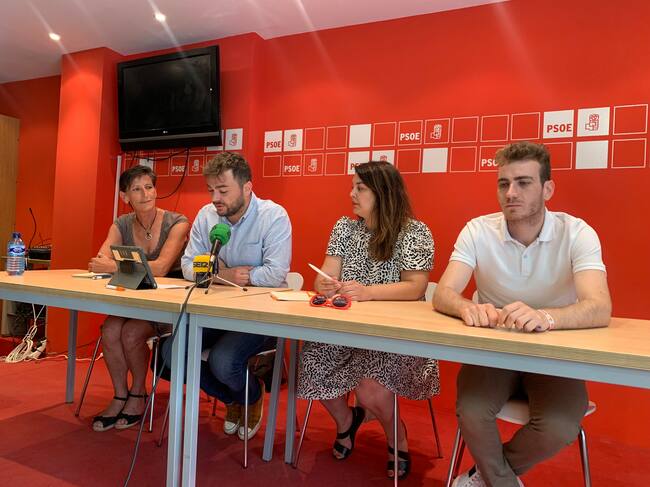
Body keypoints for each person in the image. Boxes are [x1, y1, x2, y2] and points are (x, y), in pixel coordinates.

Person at [433, 141, 611, 487]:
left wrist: (546, 317)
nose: (511, 193)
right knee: (472, 411)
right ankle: (500, 481)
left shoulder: (577, 232)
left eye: (523, 182)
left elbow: (599, 306)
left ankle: (483, 477)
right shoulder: (478, 230)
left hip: (552, 349)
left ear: (548, 189)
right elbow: (444, 292)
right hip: (494, 348)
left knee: (560, 426)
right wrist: (466, 307)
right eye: (504, 183)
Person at [297, 160, 439, 480]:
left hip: (394, 335)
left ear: (383, 193)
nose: (351, 194)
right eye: (352, 187)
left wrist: (368, 292)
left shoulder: (414, 232)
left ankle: (396, 435)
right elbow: (324, 276)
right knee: (310, 363)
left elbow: (416, 287)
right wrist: (326, 284)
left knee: (370, 385)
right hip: (346, 330)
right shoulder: (345, 229)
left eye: (360, 188)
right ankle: (346, 422)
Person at [176, 151, 291, 441]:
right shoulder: (207, 216)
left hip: (260, 316)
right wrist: (225, 274)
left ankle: (252, 393)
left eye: (223, 190)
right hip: (215, 312)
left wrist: (241, 275)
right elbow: (188, 265)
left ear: (247, 188)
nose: (215, 198)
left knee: (223, 361)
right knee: (170, 353)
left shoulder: (273, 216)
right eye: (211, 190)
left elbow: (275, 274)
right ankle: (233, 397)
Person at [89, 165, 190, 431]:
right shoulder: (121, 224)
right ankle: (119, 395)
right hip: (134, 299)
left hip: (169, 304)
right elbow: (99, 261)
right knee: (110, 329)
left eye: (149, 187)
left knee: (132, 332)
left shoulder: (177, 222)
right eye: (137, 189)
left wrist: (114, 266)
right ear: (125, 197)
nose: (146, 194)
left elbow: (162, 268)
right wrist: (111, 265)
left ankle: (138, 392)